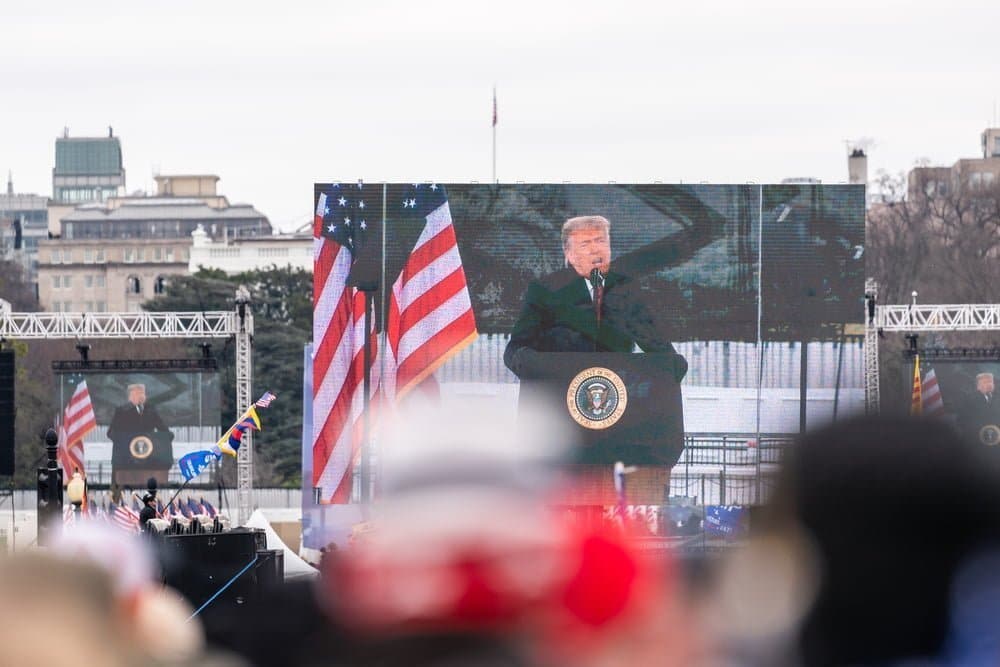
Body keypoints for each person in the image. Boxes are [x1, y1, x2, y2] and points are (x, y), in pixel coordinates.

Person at [503, 215, 687, 381]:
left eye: (600, 241)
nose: (595, 250)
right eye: (585, 244)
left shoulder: (626, 289)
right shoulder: (545, 290)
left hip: (614, 398)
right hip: (559, 395)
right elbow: (515, 351)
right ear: (569, 254)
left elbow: (658, 348)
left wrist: (674, 366)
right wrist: (539, 368)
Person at [960, 371, 1000, 445]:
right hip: (977, 439)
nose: (989, 384)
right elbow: (963, 419)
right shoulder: (969, 399)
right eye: (985, 382)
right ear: (978, 386)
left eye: (991, 382)